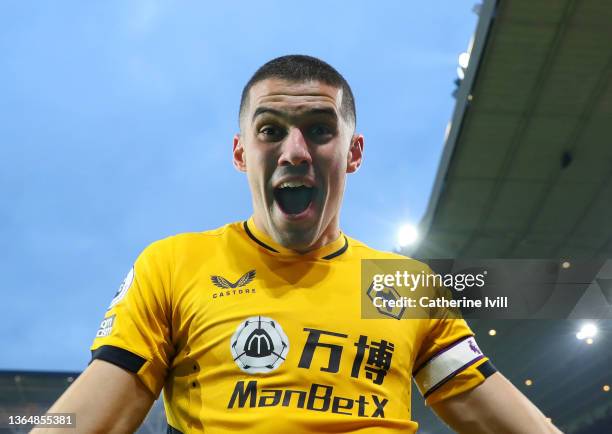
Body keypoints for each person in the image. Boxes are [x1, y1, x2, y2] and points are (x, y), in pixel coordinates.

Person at [34, 55, 561, 434]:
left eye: (319, 129)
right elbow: (84, 419)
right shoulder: (173, 265)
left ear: (353, 152)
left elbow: (511, 421)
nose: (295, 151)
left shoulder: (402, 284)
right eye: (270, 131)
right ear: (241, 153)